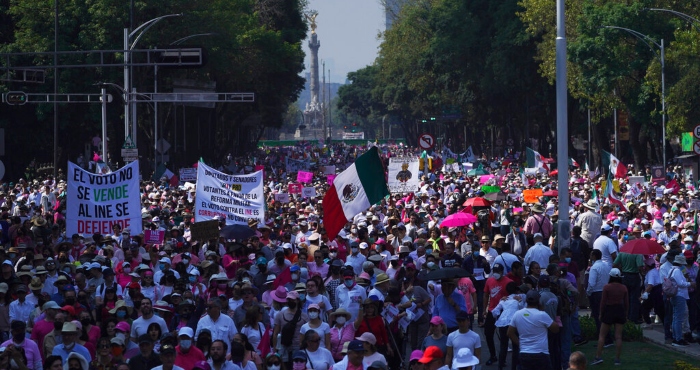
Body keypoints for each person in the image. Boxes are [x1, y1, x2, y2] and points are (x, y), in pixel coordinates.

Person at [507, 290, 559, 370]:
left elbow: (510, 333)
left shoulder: (517, 314)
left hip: (524, 353)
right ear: (538, 301)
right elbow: (556, 329)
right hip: (541, 354)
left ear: (526, 300)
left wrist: (520, 344)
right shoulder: (542, 315)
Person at [591, 268, 628, 366]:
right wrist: (626, 313)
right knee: (618, 337)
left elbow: (603, 302)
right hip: (620, 310)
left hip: (609, 311)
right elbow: (626, 303)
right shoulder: (624, 288)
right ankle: (617, 359)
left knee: (602, 335)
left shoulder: (607, 287)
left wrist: (601, 313)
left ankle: (598, 356)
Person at [482, 263, 512, 366]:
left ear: (502, 272)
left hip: (504, 312)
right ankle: (493, 355)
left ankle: (502, 358)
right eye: (494, 271)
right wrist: (484, 310)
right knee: (488, 333)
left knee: (503, 336)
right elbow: (486, 295)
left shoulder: (508, 282)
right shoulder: (489, 281)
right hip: (492, 310)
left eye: (498, 272)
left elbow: (513, 296)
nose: (495, 274)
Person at [492, 282, 524, 370]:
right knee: (515, 346)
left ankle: (500, 367)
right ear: (517, 290)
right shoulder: (519, 299)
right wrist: (520, 301)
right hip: (514, 323)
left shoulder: (503, 300)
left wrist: (499, 315)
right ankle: (514, 367)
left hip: (502, 323)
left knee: (503, 346)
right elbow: (522, 309)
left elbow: (494, 312)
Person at [669, 254, 695, 347]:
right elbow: (681, 283)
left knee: (676, 318)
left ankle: (676, 337)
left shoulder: (672, 269)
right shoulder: (677, 271)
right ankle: (678, 339)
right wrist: (690, 283)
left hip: (675, 295)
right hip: (679, 295)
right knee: (679, 319)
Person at [586, 250, 610, 340]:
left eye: (591, 255)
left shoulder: (594, 268)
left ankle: (602, 338)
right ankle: (607, 337)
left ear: (594, 256)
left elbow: (591, 283)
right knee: (604, 316)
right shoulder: (606, 266)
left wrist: (588, 293)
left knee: (598, 317)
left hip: (596, 293)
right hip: (605, 292)